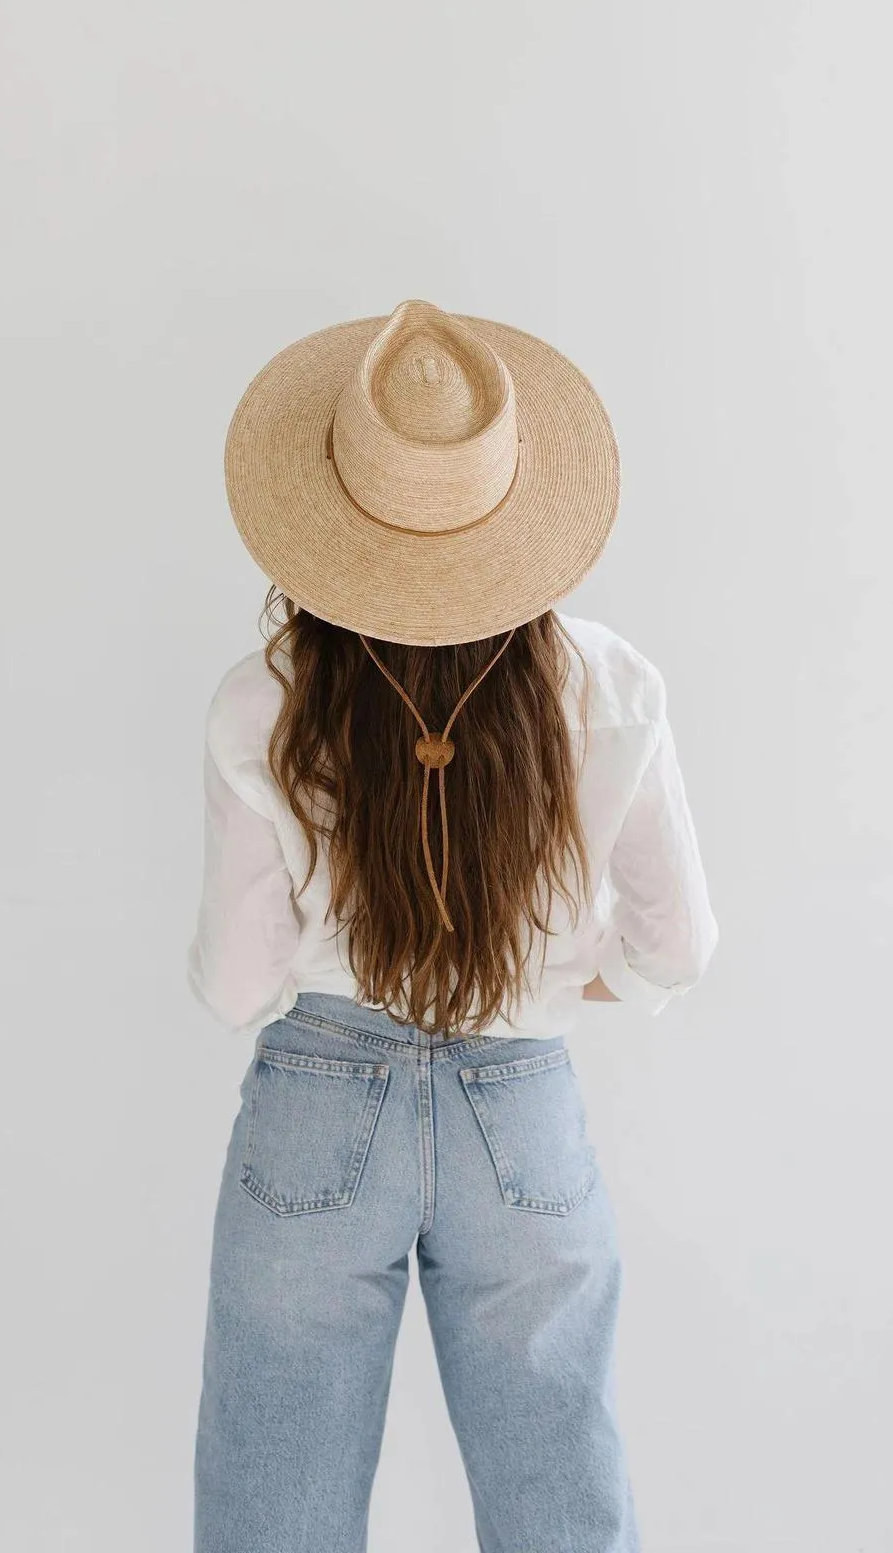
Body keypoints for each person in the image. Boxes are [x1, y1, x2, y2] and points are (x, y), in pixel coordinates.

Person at [188, 297, 720, 1553]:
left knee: (277, 1503)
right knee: (560, 1494)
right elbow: (678, 943)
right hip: (521, 1111)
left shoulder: (262, 698)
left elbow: (234, 982)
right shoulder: (611, 684)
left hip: (317, 1105)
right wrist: (564, 978)